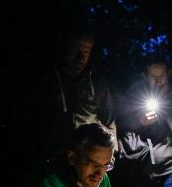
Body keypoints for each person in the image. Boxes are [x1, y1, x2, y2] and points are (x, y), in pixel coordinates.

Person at [19, 24, 116, 166]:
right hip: (50, 161)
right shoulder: (45, 80)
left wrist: (108, 155)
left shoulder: (97, 84)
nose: (80, 57)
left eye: (86, 51)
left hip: (87, 163)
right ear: (65, 47)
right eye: (76, 49)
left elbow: (109, 123)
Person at [117, 55, 172, 187]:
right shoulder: (136, 95)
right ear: (145, 76)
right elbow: (123, 123)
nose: (158, 81)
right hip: (144, 170)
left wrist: (165, 108)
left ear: (169, 74)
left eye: (161, 76)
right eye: (153, 77)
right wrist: (140, 121)